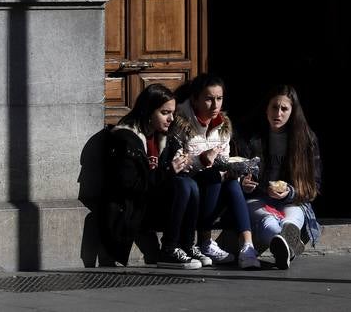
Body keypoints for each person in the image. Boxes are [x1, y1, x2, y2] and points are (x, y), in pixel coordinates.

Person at [100, 82, 211, 270]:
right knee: (183, 185)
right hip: (133, 209)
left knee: (189, 183)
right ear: (148, 111)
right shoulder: (126, 139)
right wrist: (168, 171)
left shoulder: (163, 136)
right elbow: (131, 185)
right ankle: (168, 249)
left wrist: (181, 163)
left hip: (155, 204)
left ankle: (186, 245)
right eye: (165, 113)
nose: (171, 119)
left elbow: (164, 173)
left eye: (172, 113)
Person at [173, 73, 261, 269]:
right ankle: (204, 241)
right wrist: (204, 158)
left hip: (215, 191)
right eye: (208, 99)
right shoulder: (179, 123)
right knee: (213, 175)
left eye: (219, 99)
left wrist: (237, 174)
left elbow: (225, 161)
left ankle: (247, 246)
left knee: (230, 182)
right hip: (189, 195)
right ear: (195, 99)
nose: (215, 106)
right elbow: (178, 164)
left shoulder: (223, 125)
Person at [236, 84, 322, 270]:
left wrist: (290, 192)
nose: (278, 113)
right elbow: (238, 169)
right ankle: (286, 246)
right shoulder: (251, 137)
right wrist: (244, 183)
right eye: (274, 107)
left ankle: (285, 242)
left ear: (293, 112)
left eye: (284, 109)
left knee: (293, 217)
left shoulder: (306, 140)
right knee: (267, 220)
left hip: (292, 199)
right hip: (258, 197)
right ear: (266, 108)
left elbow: (314, 185)